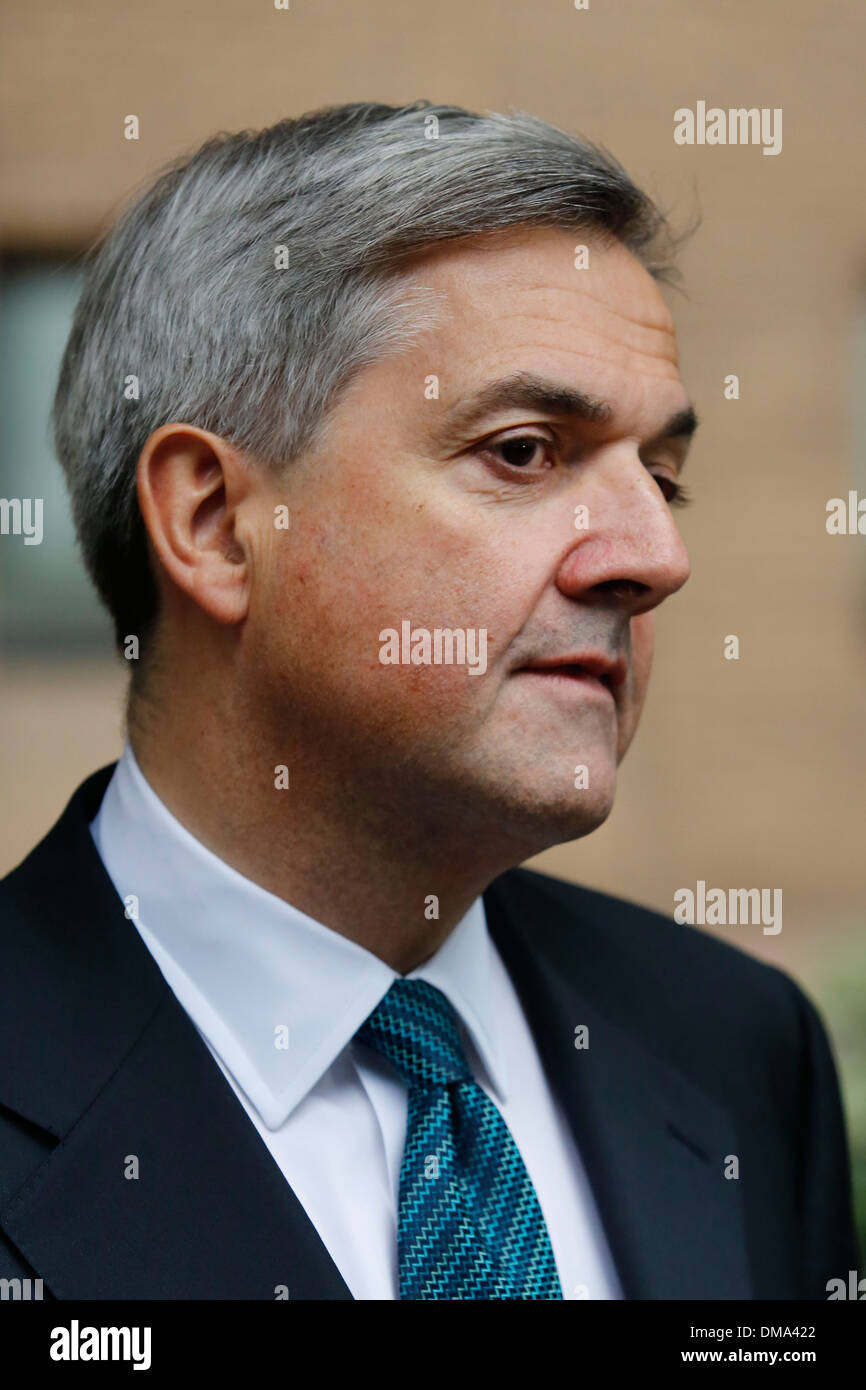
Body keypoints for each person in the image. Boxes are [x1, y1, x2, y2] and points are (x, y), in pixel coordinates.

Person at [0, 101, 857, 1300]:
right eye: (522, 451)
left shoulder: (733, 1050)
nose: (652, 555)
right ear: (212, 523)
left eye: (661, 478)